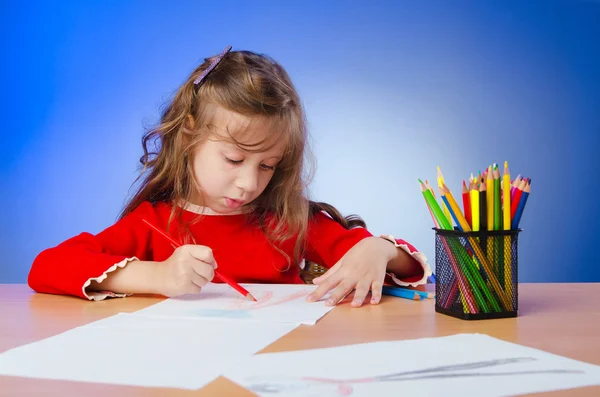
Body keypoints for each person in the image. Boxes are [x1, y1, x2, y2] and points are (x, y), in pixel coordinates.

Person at [28, 46, 431, 308]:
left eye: (267, 165)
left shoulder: (290, 220)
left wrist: (377, 250)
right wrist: (159, 275)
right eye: (234, 159)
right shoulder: (154, 222)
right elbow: (46, 267)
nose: (249, 183)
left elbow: (408, 269)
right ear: (189, 136)